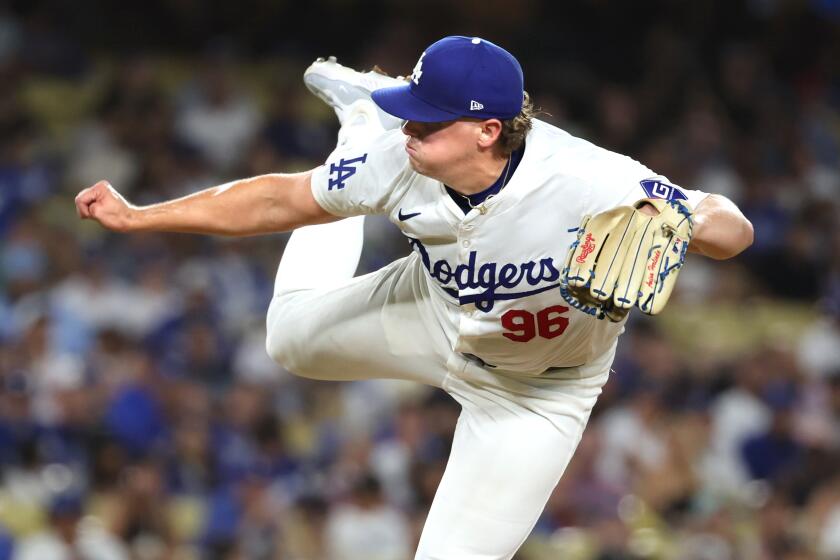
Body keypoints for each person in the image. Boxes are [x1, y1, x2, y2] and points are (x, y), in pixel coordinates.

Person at [75, 36, 753, 560]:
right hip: (432, 311)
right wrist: (141, 217)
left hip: (536, 396)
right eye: (407, 116)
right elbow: (278, 198)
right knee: (287, 340)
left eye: (426, 122)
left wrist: (687, 221)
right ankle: (356, 125)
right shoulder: (401, 159)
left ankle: (358, 123)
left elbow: (734, 228)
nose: (411, 133)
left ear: (488, 130)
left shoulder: (589, 180)